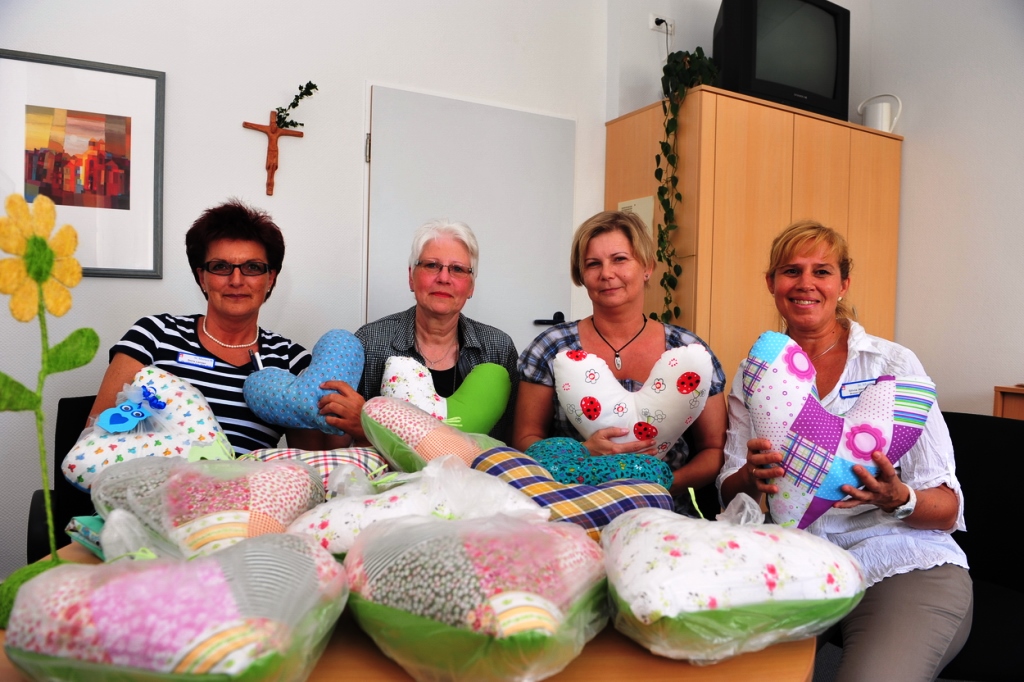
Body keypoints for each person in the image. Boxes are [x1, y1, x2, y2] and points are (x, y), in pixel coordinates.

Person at [717, 220, 971, 682]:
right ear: (771, 283)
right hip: (795, 561)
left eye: (822, 271)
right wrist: (750, 479)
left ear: (843, 283)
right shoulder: (756, 374)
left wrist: (898, 498)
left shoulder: (892, 364)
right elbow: (730, 490)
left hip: (900, 559)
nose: (806, 284)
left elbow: (948, 507)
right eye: (791, 271)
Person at [92, 200, 345, 454]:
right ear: (202, 277)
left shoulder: (291, 360)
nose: (236, 280)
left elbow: (310, 463)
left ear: (270, 279)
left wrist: (356, 418)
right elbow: (96, 436)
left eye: (253, 267)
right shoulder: (155, 334)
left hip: (246, 491)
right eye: (221, 267)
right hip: (151, 486)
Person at [513, 211, 727, 506]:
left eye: (620, 259)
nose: (606, 273)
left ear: (647, 266)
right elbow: (526, 439)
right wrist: (582, 455)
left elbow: (715, 449)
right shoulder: (551, 347)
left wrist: (657, 482)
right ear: (581, 275)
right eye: (593, 264)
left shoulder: (689, 351)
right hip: (571, 503)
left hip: (667, 510)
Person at [318, 219, 519, 443]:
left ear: (471, 286)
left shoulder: (498, 348)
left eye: (458, 269)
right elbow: (337, 444)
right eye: (432, 265)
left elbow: (509, 441)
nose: (444, 278)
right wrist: (365, 425)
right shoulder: (369, 342)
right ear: (411, 277)